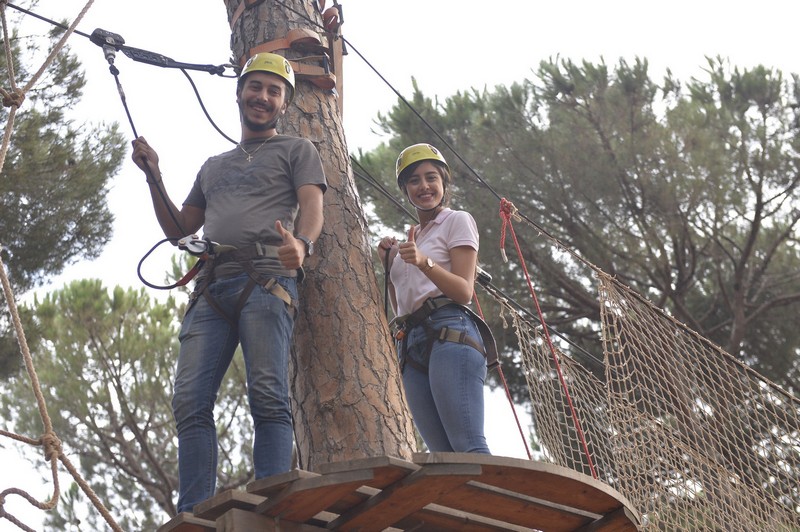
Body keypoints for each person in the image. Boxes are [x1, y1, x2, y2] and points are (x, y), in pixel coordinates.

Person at [131, 52, 326, 513]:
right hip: (213, 285)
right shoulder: (213, 165)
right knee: (189, 401)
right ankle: (193, 510)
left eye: (273, 91)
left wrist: (303, 244)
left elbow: (313, 209)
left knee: (267, 393)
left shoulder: (297, 150)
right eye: (255, 87)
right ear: (239, 93)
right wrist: (153, 176)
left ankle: (274, 502)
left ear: (284, 102)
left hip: (267, 279)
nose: (262, 97)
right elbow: (182, 231)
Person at [377, 143, 496, 454]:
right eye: (414, 180)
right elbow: (401, 304)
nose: (424, 186)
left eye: (431, 178)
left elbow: (463, 291)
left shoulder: (457, 220)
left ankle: (492, 502)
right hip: (411, 343)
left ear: (444, 183)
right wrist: (389, 262)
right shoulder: (412, 240)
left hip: (449, 332)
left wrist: (423, 262)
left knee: (467, 446)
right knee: (442, 457)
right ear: (405, 189)